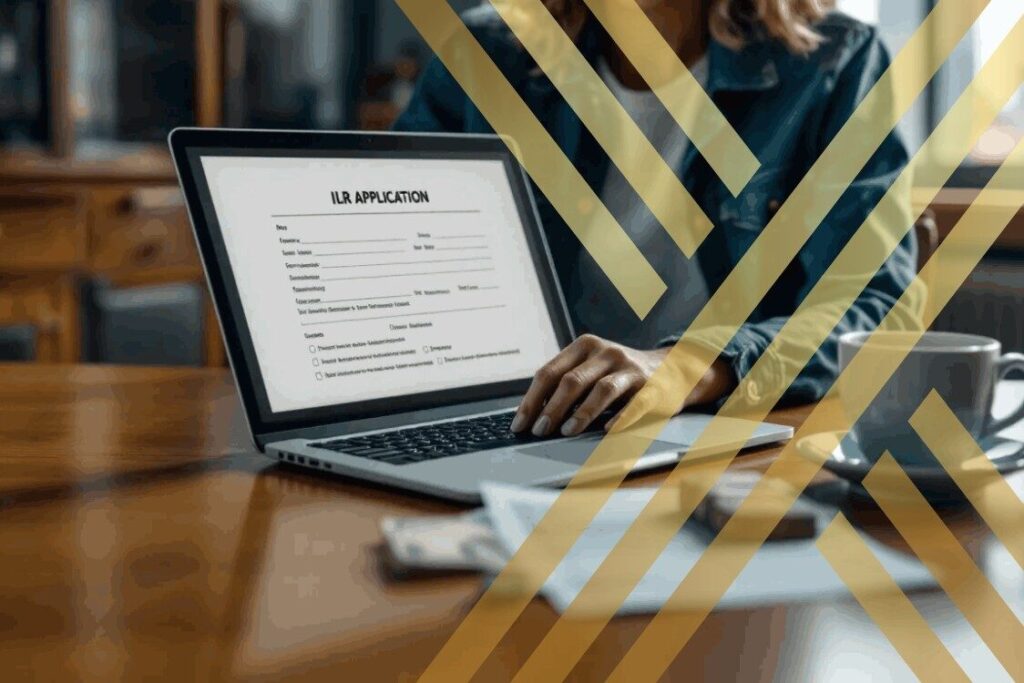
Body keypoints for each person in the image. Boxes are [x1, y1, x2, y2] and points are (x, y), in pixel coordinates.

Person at [394, 0, 919, 438]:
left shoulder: (831, 62)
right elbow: (392, 255)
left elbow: (875, 307)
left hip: (729, 435)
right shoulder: (490, 53)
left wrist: (688, 366)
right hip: (529, 422)